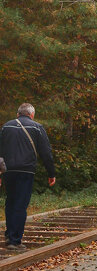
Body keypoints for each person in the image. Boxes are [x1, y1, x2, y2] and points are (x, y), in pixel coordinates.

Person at [0, 103, 56, 251]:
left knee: (10, 202)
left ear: (18, 114)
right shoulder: (37, 127)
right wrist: (51, 173)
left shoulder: (6, 127)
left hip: (8, 170)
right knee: (20, 204)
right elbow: (46, 153)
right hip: (26, 171)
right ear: (32, 115)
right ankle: (15, 241)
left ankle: (9, 235)